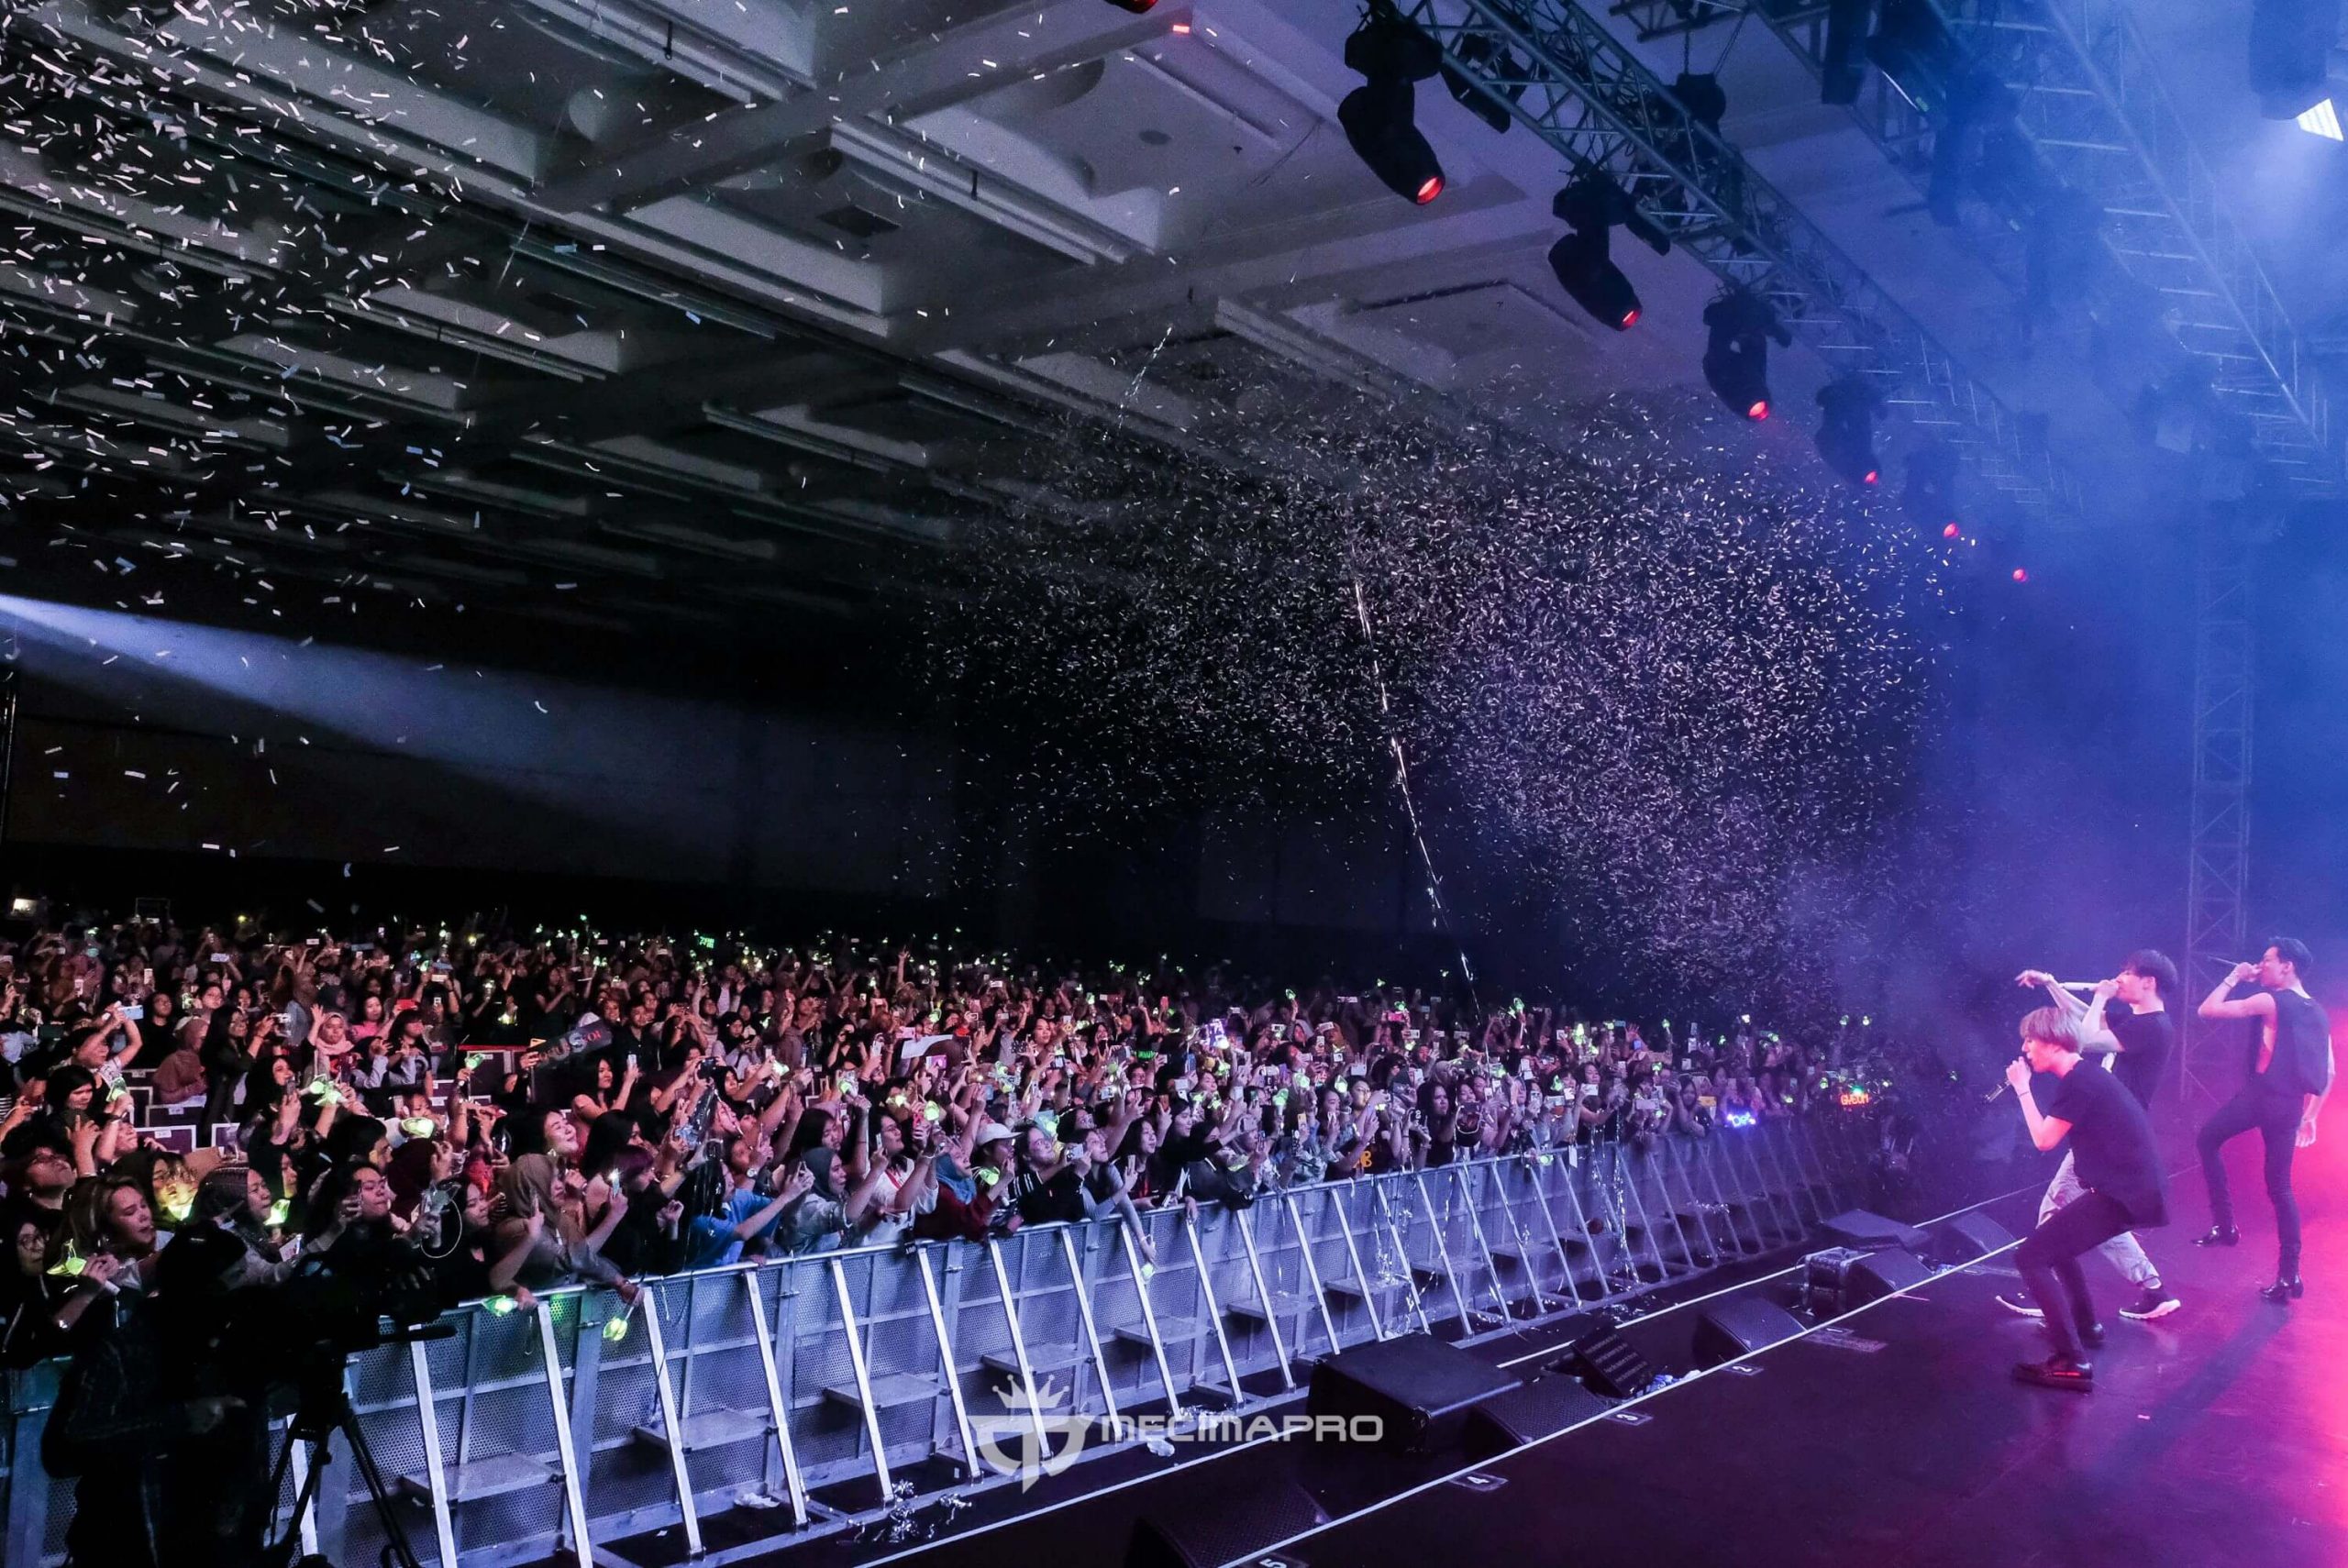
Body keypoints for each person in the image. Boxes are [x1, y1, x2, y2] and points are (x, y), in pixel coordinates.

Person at [2000, 954, 2180, 1322]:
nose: (2119, 978)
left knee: (2057, 1208)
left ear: (2149, 982)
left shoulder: (2154, 1026)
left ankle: (2046, 1288)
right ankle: (2152, 1289)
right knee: (2101, 1214)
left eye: (2127, 973)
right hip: (2105, 1129)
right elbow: (2085, 1021)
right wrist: (2052, 985)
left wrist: (2101, 996)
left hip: (2111, 1132)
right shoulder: (2139, 1022)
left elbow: (2082, 1040)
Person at [2003, 1006, 2167, 1391]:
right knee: (2054, 1246)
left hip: (2125, 1194)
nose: (2025, 1049)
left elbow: (2044, 1141)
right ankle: (2085, 1326)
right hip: (2126, 1190)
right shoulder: (2085, 1077)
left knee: (2030, 1257)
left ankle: (2071, 1361)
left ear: (2052, 1042)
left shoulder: (2080, 1081)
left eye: (2030, 1040)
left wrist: (2022, 1088)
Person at [2194, 939, 2333, 1302]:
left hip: (2261, 1097)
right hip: (2290, 1106)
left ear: (2287, 966)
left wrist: (2234, 977)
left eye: (2267, 960)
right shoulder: (2317, 1012)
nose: (2261, 965)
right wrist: (2311, 1116)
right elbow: (2329, 1071)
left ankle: (2225, 1225)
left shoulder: (2271, 1001)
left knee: (2207, 1139)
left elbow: (2207, 1010)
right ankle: (2290, 1276)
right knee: (2281, 1189)